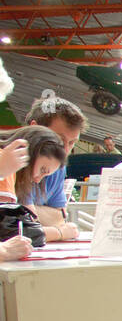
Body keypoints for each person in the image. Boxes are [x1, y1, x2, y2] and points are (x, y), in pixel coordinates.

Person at [0, 126, 69, 258]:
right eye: (42, 170)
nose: (37, 179)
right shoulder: (4, 167)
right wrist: (60, 233)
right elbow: (10, 231)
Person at [24, 96, 85, 239]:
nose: (64, 150)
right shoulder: (9, 163)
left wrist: (27, 211)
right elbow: (16, 225)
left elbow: (59, 218)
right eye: (58, 139)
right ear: (34, 128)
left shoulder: (58, 167)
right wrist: (59, 232)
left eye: (71, 143)